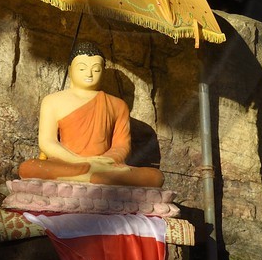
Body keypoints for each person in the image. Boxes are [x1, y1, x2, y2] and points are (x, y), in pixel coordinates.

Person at [17, 43, 164, 187]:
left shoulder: (117, 105)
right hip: (68, 163)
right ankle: (93, 177)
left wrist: (104, 161)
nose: (89, 74)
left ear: (103, 72)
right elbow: (47, 142)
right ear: (70, 69)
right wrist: (77, 161)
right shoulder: (52, 101)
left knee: (156, 177)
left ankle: (87, 177)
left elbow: (122, 146)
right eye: (82, 68)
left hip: (104, 167)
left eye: (96, 69)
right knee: (28, 167)